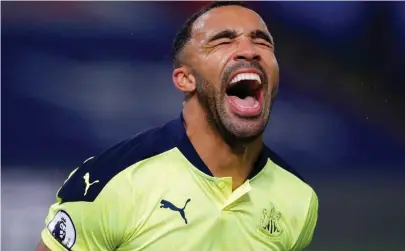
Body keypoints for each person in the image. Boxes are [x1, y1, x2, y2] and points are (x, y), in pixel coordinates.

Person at [36, 2, 318, 251]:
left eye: (262, 42)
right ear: (185, 79)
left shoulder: (297, 199)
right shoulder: (113, 183)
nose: (248, 50)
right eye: (223, 41)